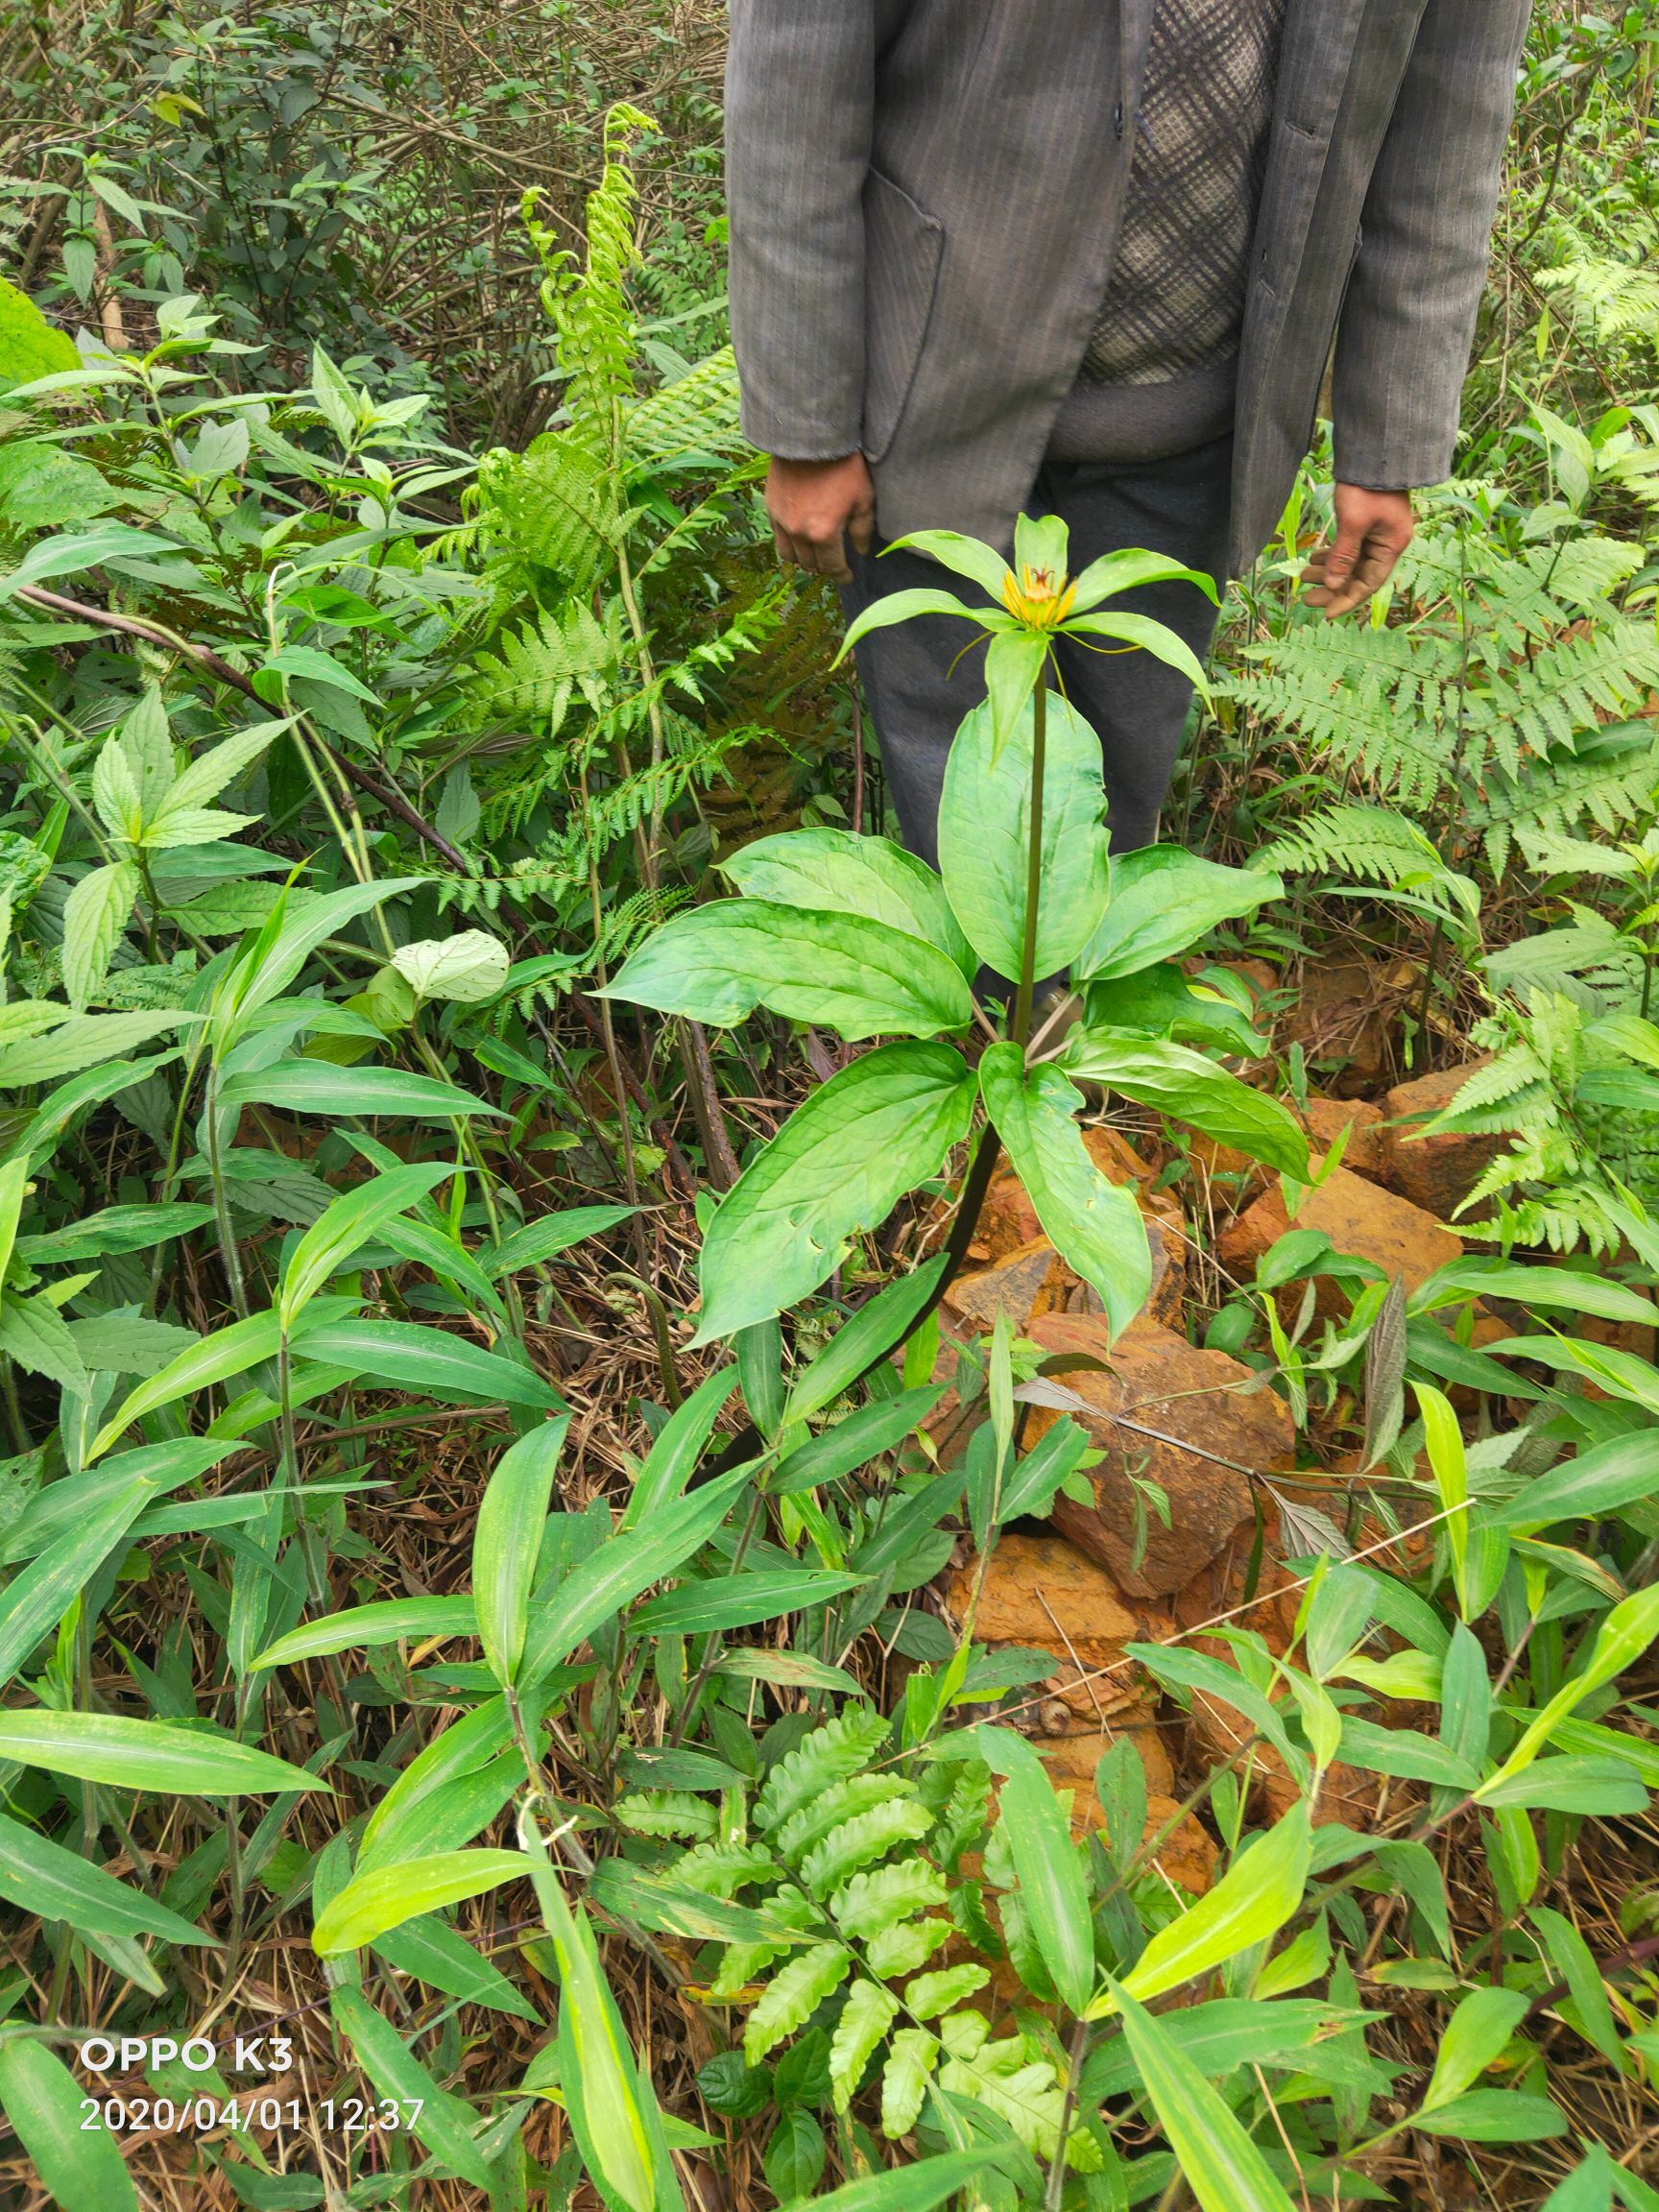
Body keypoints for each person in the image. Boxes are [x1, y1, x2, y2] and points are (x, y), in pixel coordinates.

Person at [724, 0, 1533, 864]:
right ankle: (996, 1004)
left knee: (1109, 821)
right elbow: (796, 71)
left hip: (1187, 434)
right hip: (926, 405)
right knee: (963, 829)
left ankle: (1071, 1001)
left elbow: (1450, 118)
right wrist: (807, 424)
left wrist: (1390, 437)